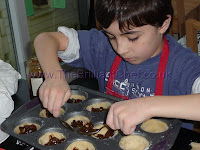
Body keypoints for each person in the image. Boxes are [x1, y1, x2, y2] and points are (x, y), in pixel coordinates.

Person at [34, 0, 200, 135]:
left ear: (163, 24)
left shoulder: (184, 65)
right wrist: (54, 77)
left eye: (132, 38)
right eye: (111, 36)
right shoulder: (102, 47)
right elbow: (45, 39)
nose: (120, 49)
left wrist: (148, 105)